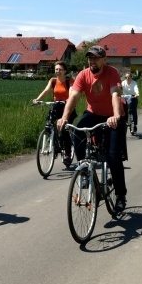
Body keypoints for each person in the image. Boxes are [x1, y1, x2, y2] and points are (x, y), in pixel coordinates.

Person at [57, 45, 129, 213]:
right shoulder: (83, 74)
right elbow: (74, 95)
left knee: (113, 156)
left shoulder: (111, 73)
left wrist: (116, 116)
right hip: (93, 113)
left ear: (104, 60)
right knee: (77, 131)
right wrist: (65, 117)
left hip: (113, 116)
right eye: (90, 57)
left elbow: (115, 95)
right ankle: (85, 171)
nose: (92, 61)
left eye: (96, 58)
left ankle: (120, 196)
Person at [33, 61, 76, 164]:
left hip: (67, 107)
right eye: (56, 69)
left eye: (60, 69)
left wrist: (68, 99)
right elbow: (46, 91)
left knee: (64, 129)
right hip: (56, 105)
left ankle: (67, 153)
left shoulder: (69, 81)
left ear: (65, 71)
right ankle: (54, 142)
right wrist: (37, 99)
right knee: (49, 122)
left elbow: (71, 92)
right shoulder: (53, 81)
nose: (58, 71)